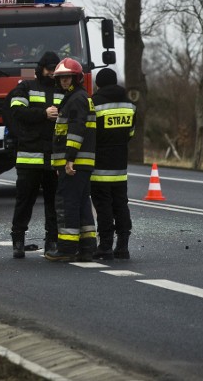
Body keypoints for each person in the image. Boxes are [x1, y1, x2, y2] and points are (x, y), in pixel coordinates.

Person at [8, 51, 61, 258]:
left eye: (55, 70)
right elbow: (16, 112)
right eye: (49, 69)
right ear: (40, 69)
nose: (51, 73)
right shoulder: (26, 87)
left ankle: (52, 242)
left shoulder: (63, 90)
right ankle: (18, 241)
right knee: (24, 201)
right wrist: (43, 114)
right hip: (29, 156)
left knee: (53, 203)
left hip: (53, 157)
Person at [45, 58, 98, 262]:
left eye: (67, 77)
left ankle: (67, 248)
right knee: (81, 202)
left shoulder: (76, 99)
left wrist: (69, 159)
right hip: (81, 162)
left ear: (76, 78)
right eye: (61, 78)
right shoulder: (76, 98)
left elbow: (75, 131)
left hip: (75, 162)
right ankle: (86, 247)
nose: (64, 81)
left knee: (67, 203)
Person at [90, 68, 136, 260]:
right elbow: (131, 134)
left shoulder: (95, 103)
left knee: (103, 206)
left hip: (100, 165)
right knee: (121, 204)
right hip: (120, 166)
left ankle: (106, 246)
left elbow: (91, 134)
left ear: (98, 84)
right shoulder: (130, 105)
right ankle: (123, 246)